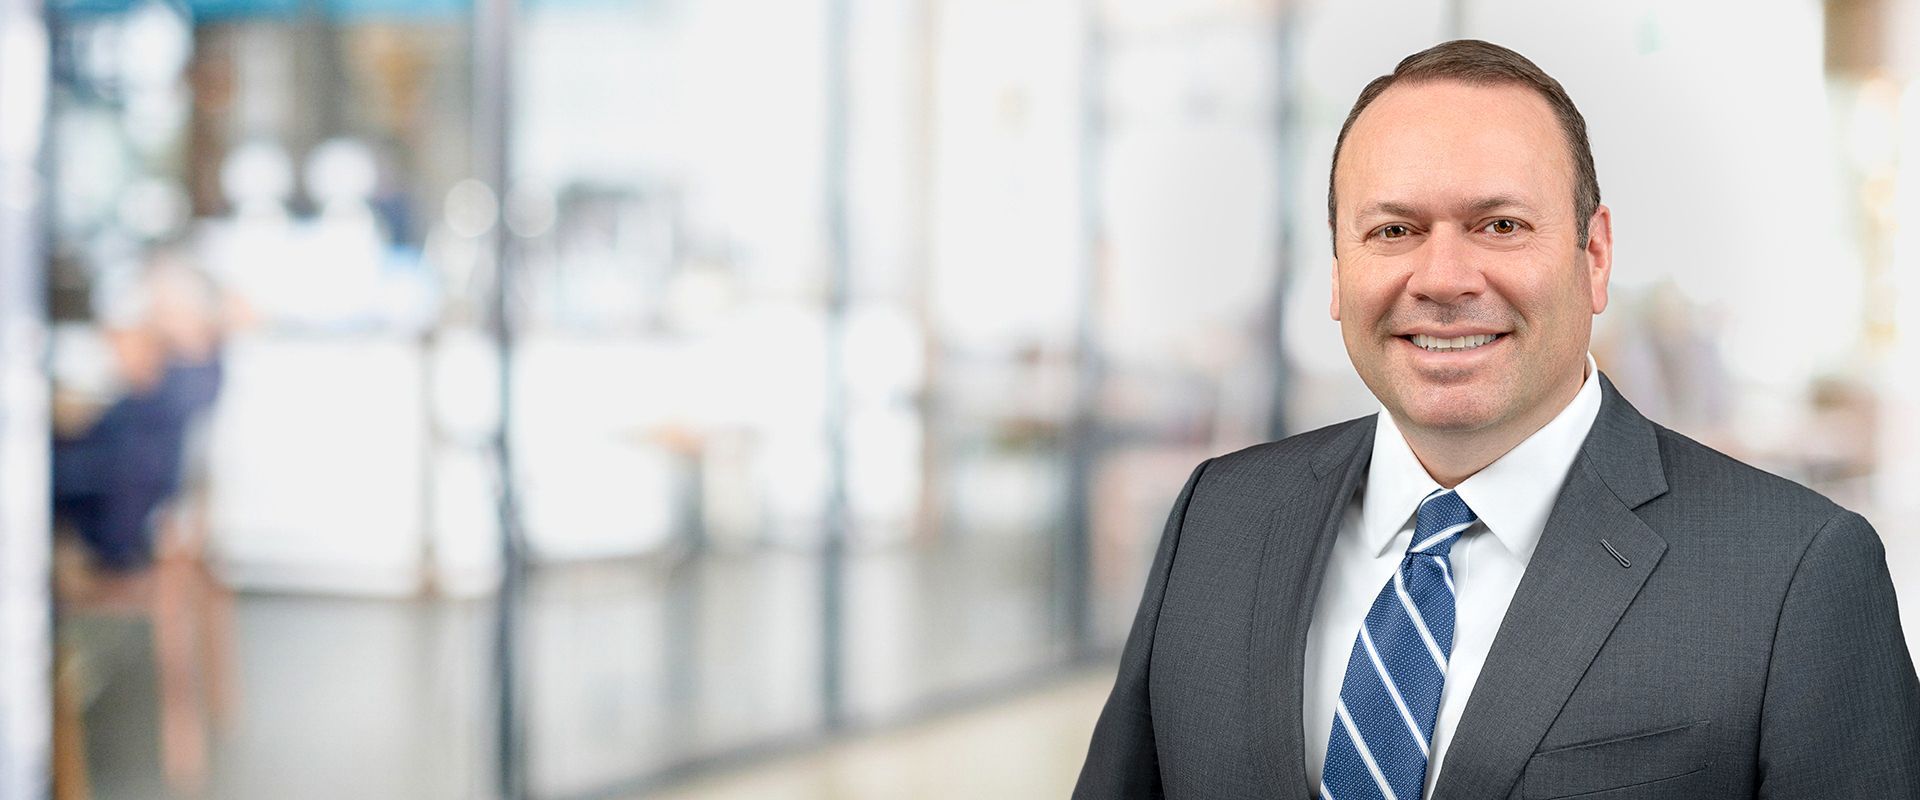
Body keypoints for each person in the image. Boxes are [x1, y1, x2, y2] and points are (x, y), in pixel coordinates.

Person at [1074, 39, 1920, 799]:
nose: (1443, 278)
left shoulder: (1796, 575)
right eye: (1395, 228)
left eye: (1501, 224)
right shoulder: (1217, 519)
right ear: (1338, 270)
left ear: (1594, 256)